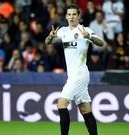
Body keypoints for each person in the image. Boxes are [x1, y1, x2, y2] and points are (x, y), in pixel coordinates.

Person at [45, 4, 105, 135]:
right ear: (66, 16)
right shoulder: (63, 31)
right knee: (85, 110)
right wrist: (50, 36)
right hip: (73, 75)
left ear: (79, 16)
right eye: (69, 14)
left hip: (80, 74)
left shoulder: (85, 30)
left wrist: (89, 36)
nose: (71, 17)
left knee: (61, 104)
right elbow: (48, 42)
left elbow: (101, 44)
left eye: (74, 14)